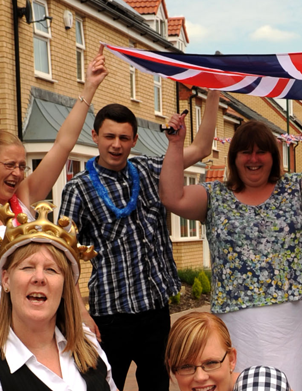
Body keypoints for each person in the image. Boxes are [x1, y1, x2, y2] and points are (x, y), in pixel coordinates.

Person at [159, 98, 302, 391]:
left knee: (291, 384)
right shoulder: (215, 196)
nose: (254, 159)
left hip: (289, 317)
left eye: (261, 152)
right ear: (234, 158)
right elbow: (172, 197)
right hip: (237, 318)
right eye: (245, 152)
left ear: (273, 156)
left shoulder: (293, 189)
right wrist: (176, 144)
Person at [0, 49, 107, 351]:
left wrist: (89, 88)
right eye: (9, 165)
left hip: (43, 324)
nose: (18, 173)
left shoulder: (24, 198)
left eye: (22, 166)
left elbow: (63, 144)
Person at [58, 91, 220, 390]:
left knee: (157, 385)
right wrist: (80, 314)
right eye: (109, 136)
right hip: (110, 316)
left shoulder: (149, 170)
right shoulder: (77, 189)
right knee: (104, 386)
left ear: (134, 140)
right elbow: (61, 258)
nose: (116, 145)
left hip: (155, 312)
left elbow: (200, 148)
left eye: (123, 137)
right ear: (95, 136)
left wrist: (211, 94)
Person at [0, 202, 114, 390]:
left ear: (65, 286)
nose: (39, 278)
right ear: (6, 280)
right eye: (27, 267)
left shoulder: (89, 347)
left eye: (51, 270)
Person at [167, 312, 293, 391]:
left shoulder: (261, 383)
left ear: (231, 360)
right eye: (186, 366)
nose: (200, 377)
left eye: (211, 363)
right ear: (172, 367)